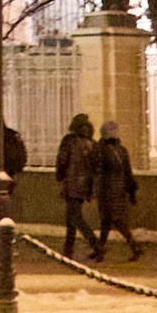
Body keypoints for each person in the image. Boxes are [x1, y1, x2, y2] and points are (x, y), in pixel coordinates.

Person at [94, 117, 143, 261]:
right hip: (120, 189)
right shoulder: (121, 150)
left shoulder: (102, 150)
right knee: (106, 220)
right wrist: (131, 190)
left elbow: (98, 171)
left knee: (114, 219)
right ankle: (99, 249)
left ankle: (134, 246)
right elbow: (128, 172)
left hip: (107, 190)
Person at [55, 111, 101, 259]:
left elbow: (62, 160)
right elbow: (96, 166)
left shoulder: (69, 141)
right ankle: (68, 251)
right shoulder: (92, 143)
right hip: (85, 185)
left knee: (75, 218)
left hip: (72, 183)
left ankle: (95, 245)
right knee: (72, 217)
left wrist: (60, 175)